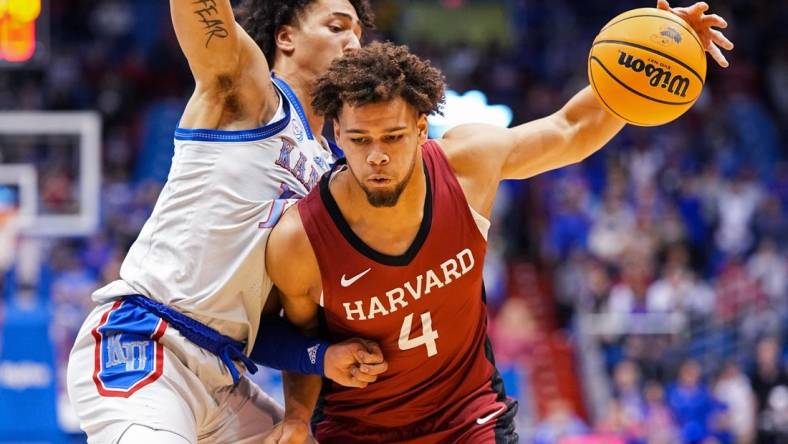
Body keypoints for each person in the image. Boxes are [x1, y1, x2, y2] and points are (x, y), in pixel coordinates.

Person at [265, 2, 732, 441]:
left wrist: (664, 48)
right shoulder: (299, 237)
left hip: (470, 415)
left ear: (423, 129)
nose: (377, 155)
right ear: (336, 134)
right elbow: (298, 338)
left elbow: (570, 128)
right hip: (357, 430)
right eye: (360, 139)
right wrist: (299, 413)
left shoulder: (467, 165)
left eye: (393, 136)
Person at [66, 1, 386, 443]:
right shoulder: (250, 95)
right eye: (337, 27)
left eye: (358, 33)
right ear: (286, 37)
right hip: (149, 341)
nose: (353, 42)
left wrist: (313, 376)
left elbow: (282, 318)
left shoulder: (335, 171)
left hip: (224, 374)